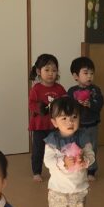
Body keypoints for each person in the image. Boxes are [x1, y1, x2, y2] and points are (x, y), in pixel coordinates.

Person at [44, 96, 96, 207]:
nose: (70, 122)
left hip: (78, 187)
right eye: (64, 118)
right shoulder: (52, 140)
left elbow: (91, 155)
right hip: (57, 188)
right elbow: (48, 161)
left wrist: (85, 161)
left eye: (74, 117)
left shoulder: (83, 137)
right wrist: (63, 162)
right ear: (54, 122)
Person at [28, 54, 66, 182]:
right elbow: (31, 104)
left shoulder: (60, 88)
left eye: (54, 70)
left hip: (55, 126)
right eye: (47, 70)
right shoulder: (36, 89)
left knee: (57, 150)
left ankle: (58, 169)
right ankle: (36, 172)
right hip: (39, 126)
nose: (51, 73)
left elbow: (65, 102)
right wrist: (40, 108)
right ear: (39, 71)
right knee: (38, 150)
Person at [67, 56, 104, 181]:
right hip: (76, 126)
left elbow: (100, 104)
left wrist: (90, 104)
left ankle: (91, 171)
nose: (89, 76)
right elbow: (68, 108)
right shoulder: (72, 91)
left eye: (92, 73)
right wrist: (76, 104)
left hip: (91, 125)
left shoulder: (95, 90)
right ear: (75, 76)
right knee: (75, 148)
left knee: (91, 148)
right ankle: (77, 168)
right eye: (86, 73)